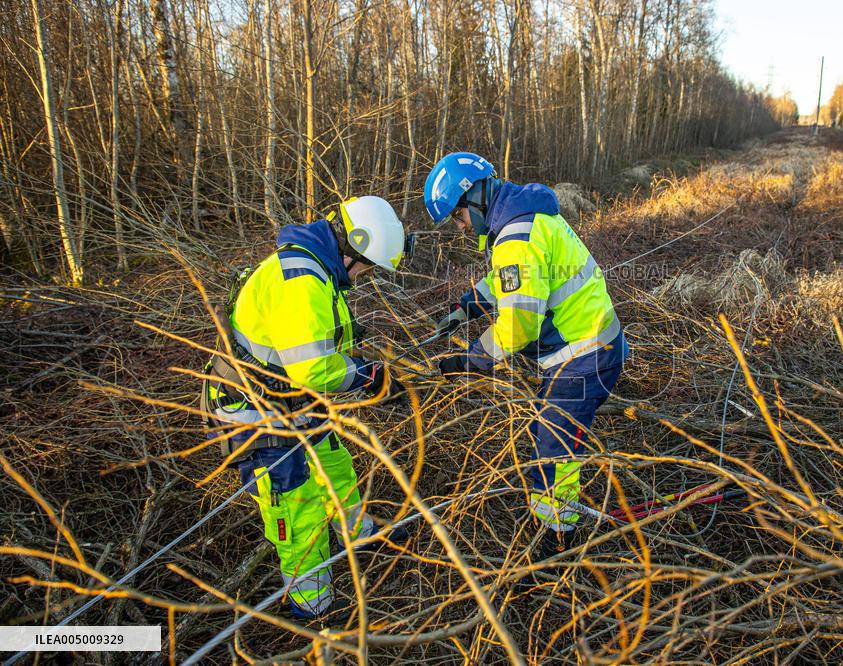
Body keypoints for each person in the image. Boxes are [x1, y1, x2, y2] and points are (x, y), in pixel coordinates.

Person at [202, 196, 409, 620]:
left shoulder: (315, 266)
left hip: (290, 399)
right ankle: (312, 604)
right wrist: (370, 377)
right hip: (257, 411)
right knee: (298, 506)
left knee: (334, 465)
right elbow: (314, 368)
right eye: (368, 267)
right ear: (353, 247)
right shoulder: (302, 278)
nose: (366, 277)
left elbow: (312, 339)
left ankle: (357, 537)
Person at [424, 153, 627, 561]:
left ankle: (557, 539)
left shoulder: (516, 238)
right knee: (547, 433)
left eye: (459, 215)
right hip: (588, 347)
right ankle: (554, 519)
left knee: (554, 452)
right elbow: (511, 280)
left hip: (584, 356)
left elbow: (519, 325)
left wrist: (471, 359)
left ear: (476, 197)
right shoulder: (523, 218)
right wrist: (469, 306)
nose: (460, 227)